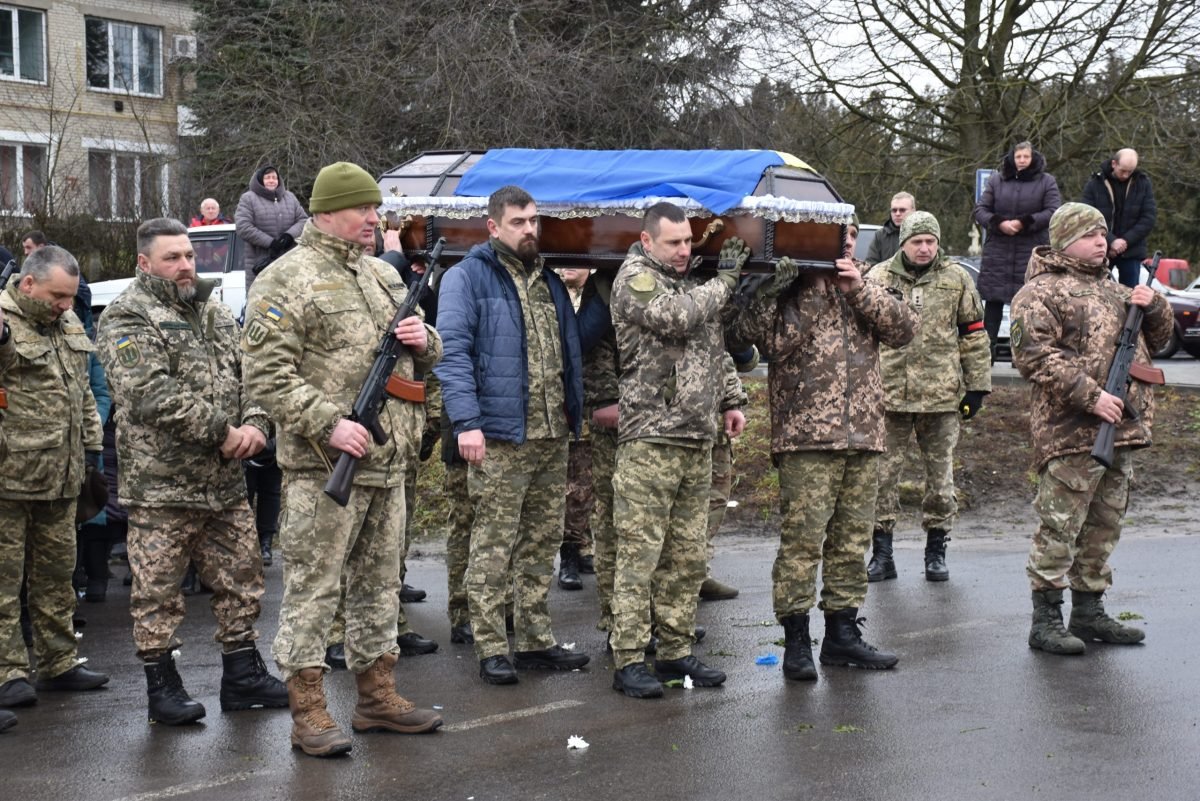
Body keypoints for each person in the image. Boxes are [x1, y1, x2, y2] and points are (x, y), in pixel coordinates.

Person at [242, 161, 443, 757]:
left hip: (389, 462)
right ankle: (309, 713)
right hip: (322, 468)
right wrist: (330, 423)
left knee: (380, 587)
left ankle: (377, 697)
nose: (374, 219)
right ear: (328, 212)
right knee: (314, 591)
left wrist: (424, 341)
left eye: (376, 209)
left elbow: (425, 351)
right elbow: (265, 375)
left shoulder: (382, 275)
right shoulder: (284, 279)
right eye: (363, 208)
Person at [96, 218, 287, 726]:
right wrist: (223, 432)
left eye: (188, 255)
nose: (185, 265)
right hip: (163, 486)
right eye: (172, 258)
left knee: (243, 579)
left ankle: (242, 676)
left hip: (223, 483)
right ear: (144, 262)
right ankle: (163, 688)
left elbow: (252, 375)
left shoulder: (214, 311)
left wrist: (257, 424)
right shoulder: (126, 316)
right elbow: (149, 393)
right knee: (158, 593)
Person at [728, 217, 916, 680]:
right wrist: (809, 288)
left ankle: (842, 634)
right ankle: (796, 641)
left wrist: (858, 291)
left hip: (864, 434)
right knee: (802, 543)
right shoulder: (788, 284)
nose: (845, 242)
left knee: (851, 542)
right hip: (806, 436)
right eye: (836, 234)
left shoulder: (868, 281)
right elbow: (765, 342)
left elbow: (905, 329)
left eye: (851, 235)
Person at [434, 185, 588, 686]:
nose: (529, 230)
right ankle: (491, 646)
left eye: (533, 221)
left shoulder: (548, 279)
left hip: (550, 432)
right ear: (493, 226)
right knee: (493, 544)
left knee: (540, 543)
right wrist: (467, 423)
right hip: (500, 435)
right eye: (518, 222)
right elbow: (452, 354)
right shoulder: (466, 278)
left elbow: (568, 348)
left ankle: (535, 640)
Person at [1009, 202, 1170, 655]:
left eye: (1103, 233)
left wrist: (1155, 306)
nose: (1101, 241)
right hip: (1070, 429)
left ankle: (1089, 610)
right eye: (1089, 235)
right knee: (1060, 525)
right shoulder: (1040, 292)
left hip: (1122, 428)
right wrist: (1091, 396)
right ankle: (1045, 619)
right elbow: (1034, 357)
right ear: (1064, 241)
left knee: (1104, 525)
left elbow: (1158, 342)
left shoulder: (1117, 290)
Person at [607, 202, 748, 699]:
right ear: (648, 241)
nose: (685, 250)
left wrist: (730, 399)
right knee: (640, 556)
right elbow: (677, 318)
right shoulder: (636, 278)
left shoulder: (691, 283)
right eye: (674, 243)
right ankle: (628, 657)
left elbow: (715, 348)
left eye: (689, 241)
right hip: (651, 438)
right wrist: (726, 281)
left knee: (686, 557)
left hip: (696, 437)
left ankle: (674, 650)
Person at [0, 245, 110, 715]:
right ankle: (7, 673)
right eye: (57, 296)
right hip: (9, 478)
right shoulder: (4, 321)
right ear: (28, 284)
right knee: (4, 583)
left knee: (56, 577)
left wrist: (92, 448)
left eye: (70, 297)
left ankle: (58, 662)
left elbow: (80, 388)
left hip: (62, 476)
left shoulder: (66, 323)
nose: (66, 306)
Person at [865, 211, 992, 583]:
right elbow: (861, 336)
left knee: (940, 480)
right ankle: (882, 554)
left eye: (930, 241)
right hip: (888, 396)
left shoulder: (957, 278)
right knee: (882, 478)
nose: (924, 248)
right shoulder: (878, 277)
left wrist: (977, 387)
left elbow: (973, 333)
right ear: (903, 243)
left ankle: (936, 551)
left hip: (941, 397)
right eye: (917, 241)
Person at [972, 142, 1061, 352]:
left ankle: (1021, 354)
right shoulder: (997, 180)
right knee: (992, 304)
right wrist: (999, 223)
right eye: (1018, 156)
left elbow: (1053, 211)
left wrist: (1024, 222)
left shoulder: (1046, 181)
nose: (1021, 160)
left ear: (1033, 158)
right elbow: (981, 209)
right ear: (1012, 158)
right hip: (998, 251)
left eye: (1025, 157)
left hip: (1030, 250)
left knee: (1026, 305)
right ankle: (987, 353)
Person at [556, 267, 593, 591]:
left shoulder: (595, 296)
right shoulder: (553, 292)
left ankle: (582, 548)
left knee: (584, 486)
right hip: (559, 403)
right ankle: (568, 553)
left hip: (591, 401)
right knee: (569, 488)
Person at [1081, 149, 1157, 288]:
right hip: (1101, 249)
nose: (1126, 175)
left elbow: (1148, 218)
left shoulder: (1143, 184)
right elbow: (1087, 215)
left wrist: (1125, 241)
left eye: (1130, 171)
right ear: (1114, 164)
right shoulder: (1095, 184)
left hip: (1132, 250)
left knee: (1130, 294)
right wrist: (1110, 240)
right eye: (1123, 170)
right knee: (1096, 290)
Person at [235, 165, 308, 288]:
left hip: (290, 261)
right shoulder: (248, 198)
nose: (271, 180)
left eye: (274, 177)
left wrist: (289, 236)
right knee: (262, 297)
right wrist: (271, 243)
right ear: (260, 180)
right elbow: (243, 226)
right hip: (261, 262)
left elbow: (303, 220)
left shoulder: (290, 197)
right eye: (267, 177)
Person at [866, 192, 915, 265]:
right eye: (894, 210)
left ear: (913, 211)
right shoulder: (880, 236)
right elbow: (870, 264)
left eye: (902, 210)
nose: (897, 214)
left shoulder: (923, 234)